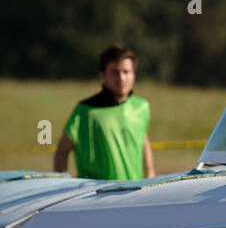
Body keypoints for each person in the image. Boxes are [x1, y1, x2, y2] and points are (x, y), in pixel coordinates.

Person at [54, 44, 155, 181]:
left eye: (126, 72)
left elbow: (142, 138)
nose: (121, 78)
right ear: (103, 76)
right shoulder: (85, 111)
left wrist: (150, 173)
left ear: (134, 74)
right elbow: (62, 150)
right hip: (96, 196)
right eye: (114, 72)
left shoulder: (142, 107)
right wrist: (62, 183)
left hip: (134, 193)